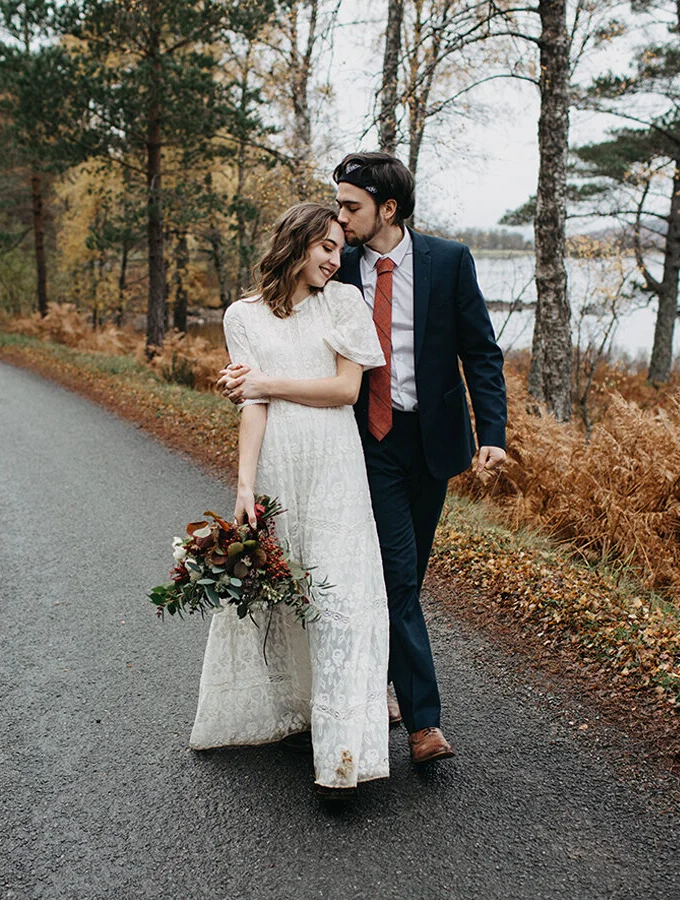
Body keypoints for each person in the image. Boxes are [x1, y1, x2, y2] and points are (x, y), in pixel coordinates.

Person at [218, 153, 508, 765]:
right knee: (394, 577)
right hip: (362, 444)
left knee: (407, 576)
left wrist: (493, 433)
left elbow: (480, 352)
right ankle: (424, 724)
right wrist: (248, 373)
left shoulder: (448, 262)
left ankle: (381, 680)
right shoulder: (336, 263)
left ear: (389, 209)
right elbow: (285, 303)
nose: (342, 219)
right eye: (339, 207)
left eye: (351, 207)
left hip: (432, 442)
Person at [189, 201, 393, 790]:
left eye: (340, 248)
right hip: (278, 460)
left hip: (333, 464)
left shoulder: (345, 303)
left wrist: (264, 381)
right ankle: (293, 706)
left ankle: (341, 756)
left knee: (336, 600)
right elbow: (251, 406)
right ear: (297, 242)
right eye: (325, 247)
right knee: (284, 588)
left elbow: (346, 391)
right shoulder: (242, 316)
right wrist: (245, 486)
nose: (335, 259)